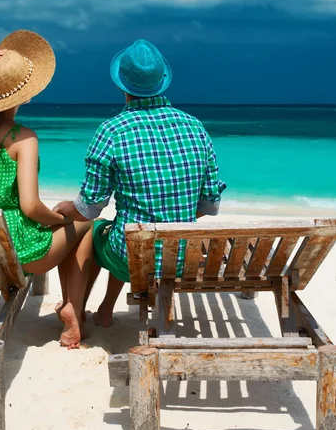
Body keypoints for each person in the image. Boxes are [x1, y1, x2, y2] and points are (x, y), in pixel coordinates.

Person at [54, 39, 226, 327]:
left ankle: (76, 310)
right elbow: (209, 205)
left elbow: (90, 208)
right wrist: (168, 213)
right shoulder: (195, 126)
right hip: (182, 257)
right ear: (162, 81)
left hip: (131, 255)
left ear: (123, 86)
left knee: (94, 230)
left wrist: (65, 208)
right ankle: (105, 311)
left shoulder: (112, 131)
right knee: (127, 230)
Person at [0, 30, 94, 349]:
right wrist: (60, 220)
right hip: (22, 250)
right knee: (86, 224)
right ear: (25, 93)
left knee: (61, 224)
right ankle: (72, 309)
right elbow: (31, 207)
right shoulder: (23, 138)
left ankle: (68, 306)